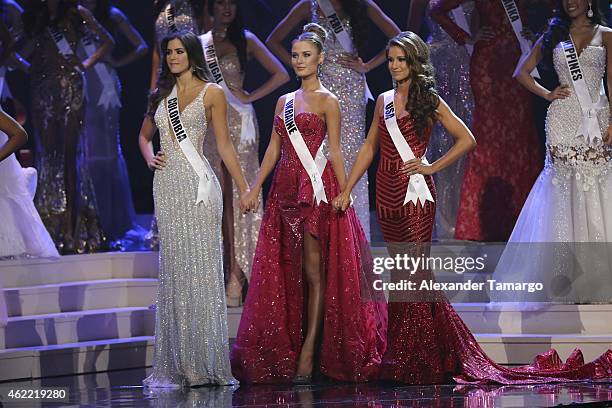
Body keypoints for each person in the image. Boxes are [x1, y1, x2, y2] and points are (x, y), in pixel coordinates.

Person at [334, 31, 612, 385]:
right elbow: (369, 148)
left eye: (401, 59)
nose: (394, 66)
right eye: (390, 59)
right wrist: (346, 189)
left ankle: (422, 355)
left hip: (415, 195)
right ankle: (406, 353)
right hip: (387, 194)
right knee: (402, 277)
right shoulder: (384, 101)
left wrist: (431, 166)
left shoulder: (429, 99)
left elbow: (467, 139)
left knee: (416, 275)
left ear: (415, 63)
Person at [230, 23, 386, 384]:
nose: (299, 61)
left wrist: (345, 189)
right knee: (288, 271)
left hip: (315, 193)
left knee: (315, 275)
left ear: (320, 59)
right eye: (295, 55)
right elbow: (273, 148)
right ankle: (294, 344)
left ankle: (309, 352)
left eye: (305, 56)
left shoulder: (329, 101)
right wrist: (254, 187)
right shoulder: (284, 102)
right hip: (284, 193)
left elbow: (333, 149)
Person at [138, 31, 254, 388]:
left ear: (191, 54)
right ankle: (179, 362)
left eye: (179, 51)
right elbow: (143, 137)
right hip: (167, 187)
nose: (173, 57)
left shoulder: (212, 92)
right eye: (168, 52)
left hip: (200, 187)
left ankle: (202, 362)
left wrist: (245, 187)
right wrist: (149, 158)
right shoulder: (159, 94)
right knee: (175, 269)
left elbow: (225, 146)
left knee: (201, 269)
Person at [493, 0, 612, 304]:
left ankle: (597, 275)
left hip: (596, 120)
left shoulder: (607, 34)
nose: (570, 1)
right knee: (562, 191)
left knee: (596, 187)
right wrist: (547, 94)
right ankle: (564, 275)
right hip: (561, 120)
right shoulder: (553, 33)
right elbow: (522, 71)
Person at [266, 0, 401, 239]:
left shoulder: (362, 5)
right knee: (319, 153)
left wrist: (368, 66)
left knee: (348, 154)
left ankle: (353, 234)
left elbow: (398, 37)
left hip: (350, 89)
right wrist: (301, 64)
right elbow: (273, 40)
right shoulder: (311, 5)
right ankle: (321, 229)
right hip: (319, 87)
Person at [201, 0, 289, 306]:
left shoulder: (246, 39)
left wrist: (251, 96)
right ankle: (218, 270)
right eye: (221, 3)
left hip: (240, 125)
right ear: (210, 7)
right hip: (210, 126)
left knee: (241, 198)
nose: (227, 8)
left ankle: (238, 275)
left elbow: (281, 74)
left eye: (232, 3)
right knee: (217, 199)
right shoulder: (199, 44)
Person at [431, 0, 543, 241]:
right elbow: (437, 10)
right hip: (488, 64)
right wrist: (467, 37)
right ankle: (484, 223)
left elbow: (558, 10)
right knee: (488, 140)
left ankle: (520, 220)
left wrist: (536, 33)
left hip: (518, 60)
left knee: (519, 137)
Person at [21, 0, 113, 253]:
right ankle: (50, 225)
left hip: (70, 87)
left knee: (70, 157)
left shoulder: (77, 13)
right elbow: (23, 50)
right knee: (47, 157)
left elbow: (107, 41)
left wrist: (85, 64)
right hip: (42, 89)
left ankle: (73, 227)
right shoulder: (35, 16)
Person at [80, 0, 149, 246]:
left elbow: (141, 45)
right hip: (79, 83)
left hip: (103, 87)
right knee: (85, 152)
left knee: (105, 154)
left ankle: (111, 220)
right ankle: (89, 220)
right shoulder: (71, 14)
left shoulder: (112, 15)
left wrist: (117, 63)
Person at [405, 0, 474, 240]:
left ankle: (468, 220)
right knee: (438, 142)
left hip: (469, 65)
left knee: (465, 138)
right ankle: (441, 222)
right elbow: (409, 37)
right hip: (438, 64)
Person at [146, 0, 210, 250]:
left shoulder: (197, 6)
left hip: (193, 82)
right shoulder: (159, 6)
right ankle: (166, 226)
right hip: (166, 83)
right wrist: (152, 89)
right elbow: (156, 51)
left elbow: (206, 42)